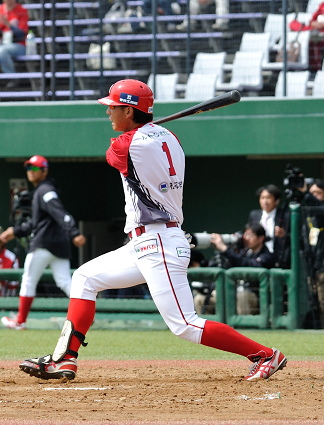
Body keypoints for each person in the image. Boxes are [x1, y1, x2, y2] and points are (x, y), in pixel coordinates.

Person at [18, 80, 286, 382]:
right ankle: (64, 359)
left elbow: (112, 155)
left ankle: (265, 354)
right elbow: (139, 142)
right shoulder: (170, 137)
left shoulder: (126, 144)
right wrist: (142, 128)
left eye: (114, 107)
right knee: (84, 278)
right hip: (148, 240)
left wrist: (136, 133)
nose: (108, 112)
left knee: (185, 324)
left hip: (157, 242)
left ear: (130, 111)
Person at [0, 155, 87, 330]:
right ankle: (85, 316)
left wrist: (74, 232)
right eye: (29, 168)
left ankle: (20, 321)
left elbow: (59, 212)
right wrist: (15, 231)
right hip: (59, 245)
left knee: (29, 280)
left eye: (35, 168)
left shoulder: (45, 190)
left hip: (44, 243)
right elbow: (35, 221)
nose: (31, 172)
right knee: (64, 281)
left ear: (44, 171)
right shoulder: (42, 190)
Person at [206, 223, 276, 315]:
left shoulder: (267, 256)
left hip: (256, 297)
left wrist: (225, 248)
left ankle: (242, 328)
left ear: (261, 238)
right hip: (235, 291)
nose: (246, 238)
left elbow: (247, 263)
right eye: (245, 234)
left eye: (250, 235)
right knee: (201, 299)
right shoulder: (243, 252)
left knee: (242, 296)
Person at [297, 179, 324, 329]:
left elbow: (320, 210)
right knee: (315, 302)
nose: (313, 195)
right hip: (312, 265)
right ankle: (321, 331)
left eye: (317, 193)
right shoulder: (309, 215)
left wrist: (306, 194)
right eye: (312, 192)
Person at [248, 184, 290, 269]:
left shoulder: (285, 216)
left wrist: (284, 235)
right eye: (262, 198)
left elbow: (296, 238)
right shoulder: (254, 215)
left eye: (268, 198)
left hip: (277, 259)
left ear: (277, 201)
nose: (265, 201)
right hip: (257, 257)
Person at [0, 0, 29, 88]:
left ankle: (12, 78)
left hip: (19, 45)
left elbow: (21, 34)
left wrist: (9, 24)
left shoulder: (22, 10)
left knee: (1, 51)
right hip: (2, 43)